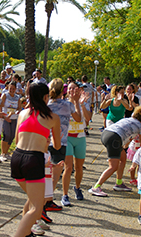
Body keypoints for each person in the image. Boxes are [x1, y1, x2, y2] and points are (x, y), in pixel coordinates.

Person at [11, 82, 61, 237]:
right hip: (33, 160)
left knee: (33, 199)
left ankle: (26, 232)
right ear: (46, 97)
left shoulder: (22, 113)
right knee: (36, 209)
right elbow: (58, 146)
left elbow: (17, 138)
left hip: (17, 158)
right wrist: (46, 140)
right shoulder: (53, 117)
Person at [89, 106, 141, 197]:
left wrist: (124, 146)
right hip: (114, 138)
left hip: (107, 133)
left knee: (123, 158)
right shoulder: (140, 127)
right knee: (113, 167)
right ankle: (96, 187)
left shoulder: (127, 119)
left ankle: (119, 183)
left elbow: (127, 138)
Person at [46, 78, 82, 210]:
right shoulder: (68, 105)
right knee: (55, 176)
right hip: (61, 143)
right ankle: (47, 202)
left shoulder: (47, 104)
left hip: (46, 141)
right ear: (63, 91)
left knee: (46, 173)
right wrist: (77, 102)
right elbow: (78, 119)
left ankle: (46, 200)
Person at [61, 82, 91, 206]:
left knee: (79, 167)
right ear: (67, 90)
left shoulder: (82, 102)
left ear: (79, 90)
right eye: (70, 88)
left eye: (75, 88)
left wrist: (81, 104)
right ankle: (65, 195)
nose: (72, 90)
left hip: (80, 138)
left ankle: (77, 188)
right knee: (68, 167)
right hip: (68, 138)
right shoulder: (64, 104)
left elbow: (87, 119)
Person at [0, 81, 21, 161]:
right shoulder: (5, 95)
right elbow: (0, 106)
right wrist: (3, 116)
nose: (11, 90)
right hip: (6, 117)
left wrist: (17, 111)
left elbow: (19, 107)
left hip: (14, 118)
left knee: (12, 136)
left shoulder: (17, 97)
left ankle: (6, 152)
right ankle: (2, 153)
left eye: (13, 89)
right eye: (10, 88)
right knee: (6, 134)